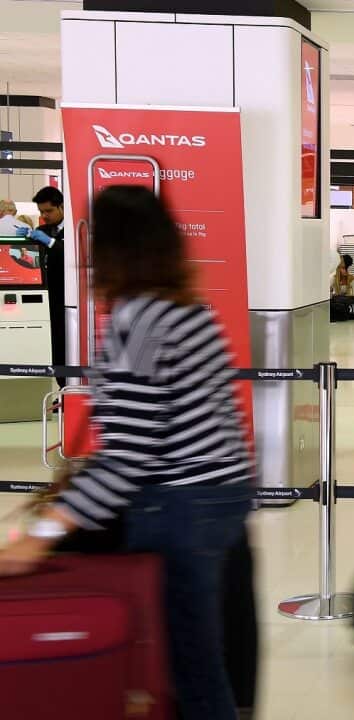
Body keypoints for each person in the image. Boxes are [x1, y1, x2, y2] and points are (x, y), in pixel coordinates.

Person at [0, 185, 255, 720]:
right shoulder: (190, 309)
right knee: (205, 664)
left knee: (191, 673)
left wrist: (41, 534)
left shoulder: (138, 320)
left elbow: (129, 458)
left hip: (182, 506)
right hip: (221, 495)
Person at [18, 187, 66, 385]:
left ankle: (70, 387)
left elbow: (75, 253)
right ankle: (61, 385)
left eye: (48, 211)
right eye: (41, 212)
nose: (44, 216)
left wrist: (51, 243)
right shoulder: (42, 231)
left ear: (61, 207)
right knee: (56, 343)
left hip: (70, 298)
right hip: (49, 297)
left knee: (68, 342)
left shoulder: (75, 228)